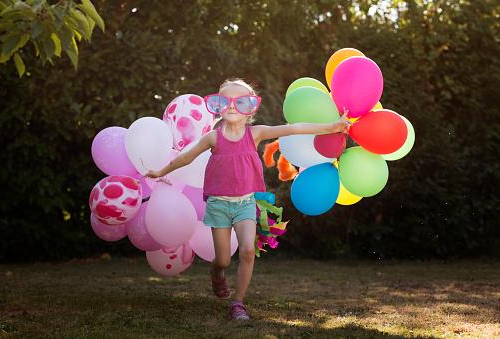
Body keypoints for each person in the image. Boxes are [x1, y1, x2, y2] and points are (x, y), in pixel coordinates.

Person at [146, 78, 350, 320]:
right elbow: (186, 158)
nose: (232, 106)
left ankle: (238, 303)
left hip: (245, 203)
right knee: (221, 259)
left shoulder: (256, 133)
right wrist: (161, 172)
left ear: (251, 108)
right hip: (219, 205)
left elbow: (294, 128)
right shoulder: (213, 137)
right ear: (218, 106)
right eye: (226, 101)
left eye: (240, 101)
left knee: (247, 251)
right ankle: (217, 274)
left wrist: (333, 126)